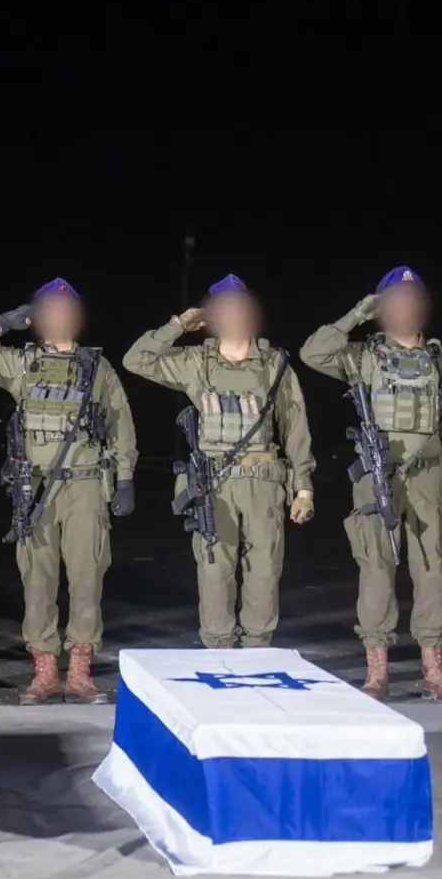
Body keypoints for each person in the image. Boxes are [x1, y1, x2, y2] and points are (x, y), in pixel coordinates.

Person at [0, 278, 137, 704]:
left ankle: (80, 672)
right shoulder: (22, 364)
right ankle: (45, 671)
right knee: (37, 579)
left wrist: (124, 479)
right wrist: (0, 324)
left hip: (85, 485)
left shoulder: (97, 368)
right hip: (34, 488)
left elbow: (120, 424)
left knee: (86, 577)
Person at [302, 267, 442, 701]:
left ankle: (434, 671)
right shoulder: (365, 356)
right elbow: (312, 353)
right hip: (376, 472)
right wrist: (355, 315)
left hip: (429, 475)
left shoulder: (439, 360)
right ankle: (377, 672)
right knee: (376, 568)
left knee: (432, 569)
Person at [124, 274, 316, 648]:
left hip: (263, 480)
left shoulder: (274, 364)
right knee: (214, 567)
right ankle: (218, 648)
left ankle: (257, 648)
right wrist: (178, 324)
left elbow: (296, 428)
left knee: (264, 568)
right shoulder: (196, 362)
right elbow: (136, 360)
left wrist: (303, 488)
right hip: (214, 483)